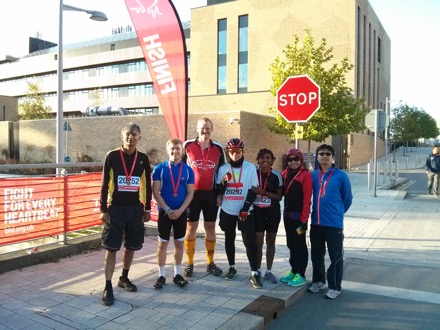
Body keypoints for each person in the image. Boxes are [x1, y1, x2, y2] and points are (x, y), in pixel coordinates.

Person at [99, 123, 152, 306]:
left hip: (135, 209)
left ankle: (124, 278)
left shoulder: (143, 159)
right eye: (128, 134)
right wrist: (103, 209)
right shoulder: (112, 156)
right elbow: (104, 184)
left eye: (134, 134)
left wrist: (147, 209)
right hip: (116, 209)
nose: (131, 137)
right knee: (111, 248)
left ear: (139, 138)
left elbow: (148, 185)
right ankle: (108, 286)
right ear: (123, 136)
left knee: (131, 246)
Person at [216, 138, 262, 289]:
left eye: (238, 151)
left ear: (242, 152)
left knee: (249, 241)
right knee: (229, 239)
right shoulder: (223, 168)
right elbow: (219, 191)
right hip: (228, 209)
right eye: (232, 151)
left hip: (245, 210)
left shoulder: (250, 168)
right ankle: (232, 267)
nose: (235, 154)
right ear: (228, 153)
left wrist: (245, 208)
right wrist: (224, 181)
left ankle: (254, 273)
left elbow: (254, 189)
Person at [182, 118, 226, 277]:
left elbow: (223, 173)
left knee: (210, 227)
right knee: (191, 227)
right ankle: (189, 263)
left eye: (208, 128)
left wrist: (220, 193)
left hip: (210, 194)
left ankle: (210, 262)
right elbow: (180, 168)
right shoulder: (187, 145)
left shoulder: (218, 148)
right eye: (202, 128)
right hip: (192, 194)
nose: (205, 131)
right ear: (197, 129)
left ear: (212, 129)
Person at [308, 144, 352, 299]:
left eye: (328, 154)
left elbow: (347, 199)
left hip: (334, 224)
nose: (324, 156)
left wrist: (338, 213)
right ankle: (319, 281)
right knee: (316, 254)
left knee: (336, 256)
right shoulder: (313, 176)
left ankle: (334, 286)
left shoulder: (341, 176)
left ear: (333, 156)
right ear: (317, 156)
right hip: (316, 223)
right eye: (321, 154)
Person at [152, 138, 195, 289]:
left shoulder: (188, 170)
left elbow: (190, 193)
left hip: (181, 213)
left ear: (182, 151)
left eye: (178, 148)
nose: (175, 151)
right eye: (172, 148)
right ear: (167, 149)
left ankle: (177, 274)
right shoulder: (159, 169)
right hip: (165, 212)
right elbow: (156, 192)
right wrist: (168, 209)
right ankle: (161, 275)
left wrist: (181, 210)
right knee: (162, 244)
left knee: (179, 243)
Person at [279, 148, 312, 287]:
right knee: (290, 243)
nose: (293, 162)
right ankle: (293, 270)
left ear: (301, 160)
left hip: (299, 219)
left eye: (296, 159)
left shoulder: (305, 176)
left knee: (299, 244)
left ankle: (301, 273)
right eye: (290, 159)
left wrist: (304, 220)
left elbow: (306, 199)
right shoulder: (285, 174)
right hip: (287, 216)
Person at [251, 148, 283, 284]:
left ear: (272, 161)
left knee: (271, 242)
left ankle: (268, 271)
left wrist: (263, 192)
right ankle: (257, 270)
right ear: (258, 159)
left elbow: (279, 196)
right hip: (257, 212)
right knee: (258, 243)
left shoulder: (276, 175)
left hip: (272, 212)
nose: (265, 161)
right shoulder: (253, 173)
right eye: (262, 158)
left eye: (268, 158)